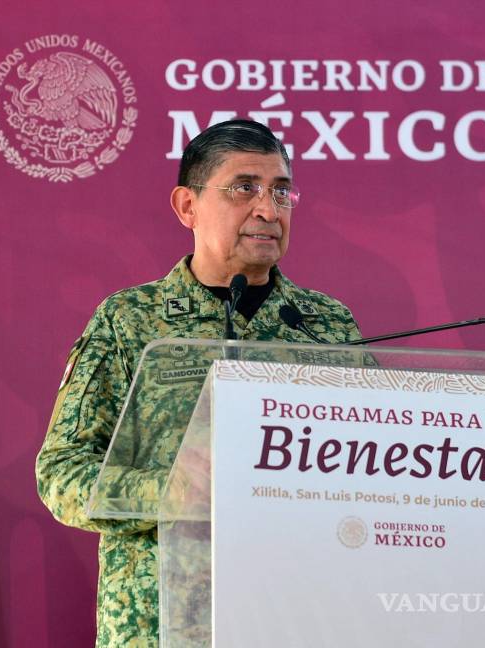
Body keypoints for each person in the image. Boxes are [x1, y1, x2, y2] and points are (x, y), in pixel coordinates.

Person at [36, 119, 362, 647]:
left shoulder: (326, 324)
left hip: (297, 617)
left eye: (281, 191)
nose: (268, 209)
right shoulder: (130, 320)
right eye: (244, 188)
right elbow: (61, 473)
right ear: (187, 206)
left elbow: (370, 466)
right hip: (162, 623)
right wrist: (171, 493)